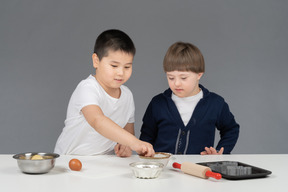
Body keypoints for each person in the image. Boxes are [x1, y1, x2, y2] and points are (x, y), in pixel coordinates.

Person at [54, 29, 155, 157]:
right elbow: (97, 120)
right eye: (114, 66)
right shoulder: (87, 88)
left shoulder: (127, 95)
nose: (120, 73)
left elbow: (127, 134)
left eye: (127, 67)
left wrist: (125, 145)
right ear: (96, 61)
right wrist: (135, 142)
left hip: (104, 161)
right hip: (69, 160)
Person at [140, 42, 239, 155]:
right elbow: (146, 136)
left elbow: (231, 129)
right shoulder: (157, 103)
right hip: (162, 168)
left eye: (183, 78)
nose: (176, 83)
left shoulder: (216, 103)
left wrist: (220, 152)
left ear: (199, 75)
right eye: (171, 77)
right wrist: (147, 153)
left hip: (198, 169)